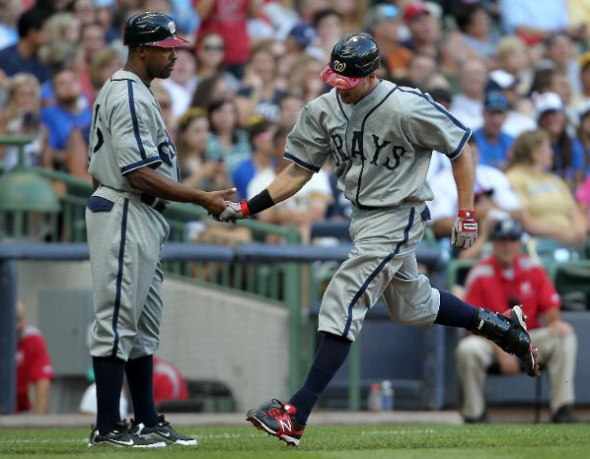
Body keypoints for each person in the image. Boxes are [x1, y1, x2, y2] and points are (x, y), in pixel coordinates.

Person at [217, 32, 540, 447]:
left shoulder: (405, 105)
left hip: (398, 212)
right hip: (361, 216)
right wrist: (248, 208)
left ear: (372, 75)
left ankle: (296, 413)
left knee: (342, 296)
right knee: (412, 306)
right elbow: (298, 171)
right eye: (337, 80)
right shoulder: (322, 109)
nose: (342, 90)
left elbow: (460, 147)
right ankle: (501, 327)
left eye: (350, 82)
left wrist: (466, 212)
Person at [85, 12, 235, 448]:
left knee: (141, 326)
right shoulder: (128, 93)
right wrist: (202, 197)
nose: (175, 56)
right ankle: (108, 425)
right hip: (126, 207)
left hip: (139, 212)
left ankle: (147, 419)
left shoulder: (137, 91)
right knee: (115, 322)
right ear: (141, 49)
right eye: (166, 49)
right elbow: (137, 173)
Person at [456, 217, 578, 423]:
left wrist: (555, 320)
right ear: (493, 243)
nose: (507, 245)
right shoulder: (480, 273)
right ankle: (474, 414)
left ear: (519, 243)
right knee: (468, 349)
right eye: (502, 240)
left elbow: (550, 306)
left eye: (512, 239)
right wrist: (500, 348)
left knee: (564, 336)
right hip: (491, 340)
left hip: (529, 339)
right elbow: (472, 323)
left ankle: (562, 409)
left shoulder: (533, 269)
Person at [16, 300, 54, 414]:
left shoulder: (31, 337)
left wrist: (38, 423)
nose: (20, 325)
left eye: (20, 319)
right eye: (15, 320)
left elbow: (43, 384)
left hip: (18, 411)